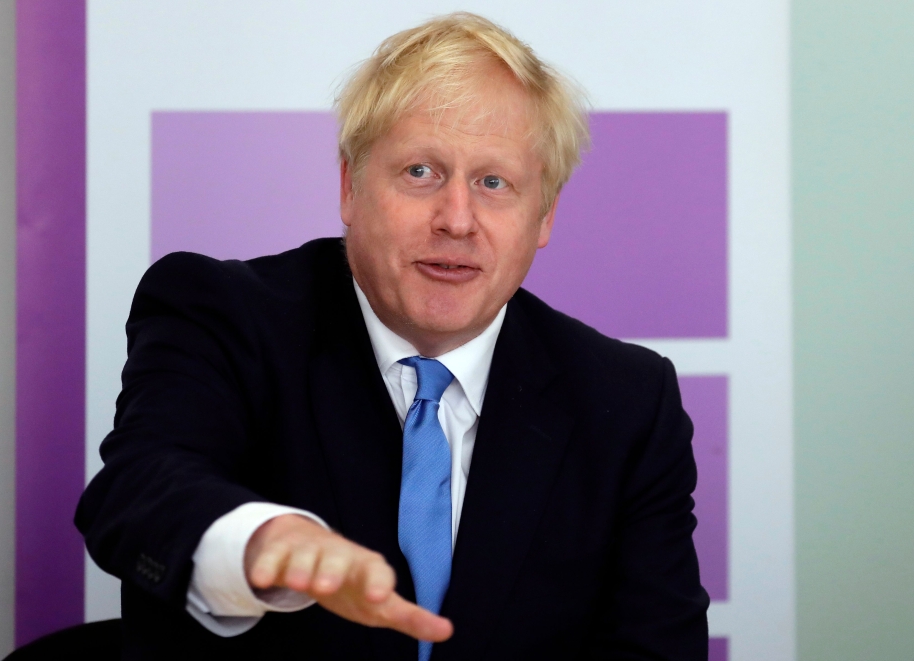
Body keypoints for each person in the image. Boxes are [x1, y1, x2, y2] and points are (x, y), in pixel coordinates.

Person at [76, 12, 709, 661]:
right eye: (420, 172)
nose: (457, 219)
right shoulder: (223, 314)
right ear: (350, 186)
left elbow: (657, 646)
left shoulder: (626, 399)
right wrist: (263, 540)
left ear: (543, 215)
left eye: (494, 183)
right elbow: (137, 488)